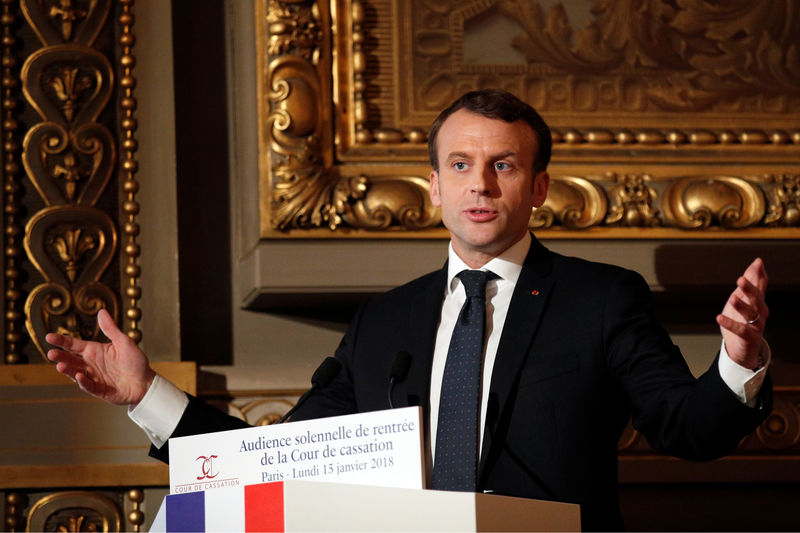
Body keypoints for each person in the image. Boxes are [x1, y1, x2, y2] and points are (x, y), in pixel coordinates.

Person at [47, 89, 772, 531]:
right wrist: (148, 396)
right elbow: (272, 463)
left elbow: (691, 426)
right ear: (433, 187)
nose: (480, 184)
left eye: (504, 164)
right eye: (460, 165)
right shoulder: (385, 323)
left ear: (540, 186)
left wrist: (739, 361)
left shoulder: (601, 299)